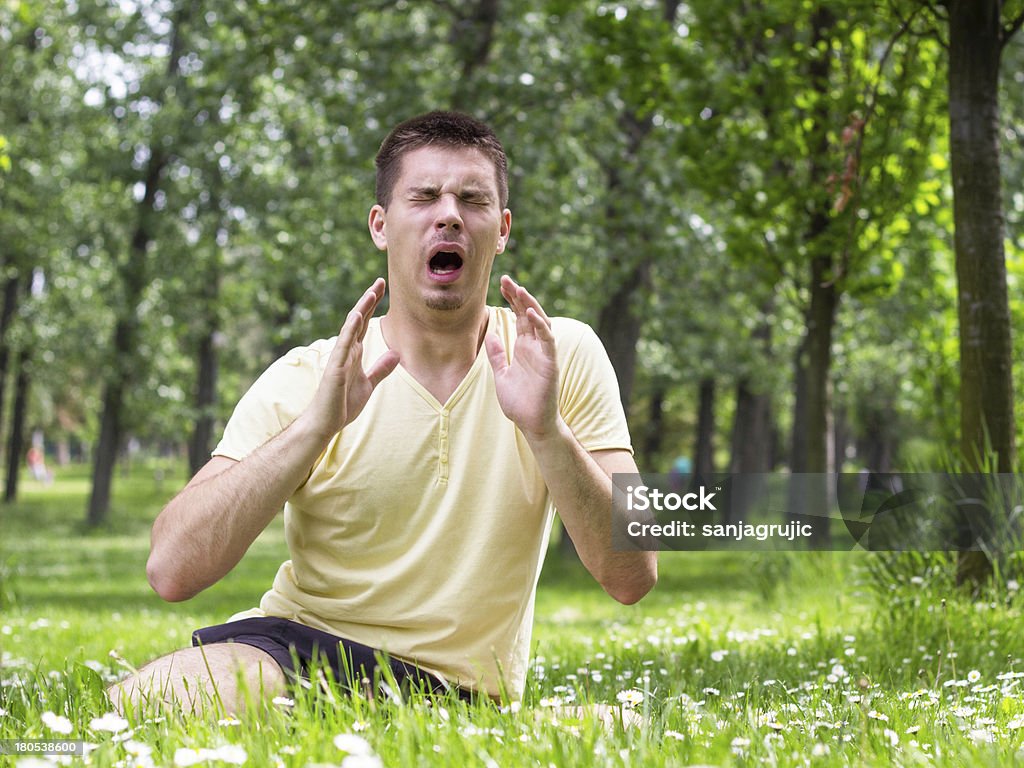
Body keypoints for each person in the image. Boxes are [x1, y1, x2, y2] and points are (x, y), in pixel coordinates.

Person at [109, 111, 657, 715]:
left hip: (456, 698)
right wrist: (316, 427)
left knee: (624, 731)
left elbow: (632, 576)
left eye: (472, 199)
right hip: (297, 654)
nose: (448, 213)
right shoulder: (313, 373)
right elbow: (171, 570)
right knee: (151, 704)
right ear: (380, 225)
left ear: (500, 230)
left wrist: (546, 431)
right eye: (423, 196)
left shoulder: (559, 354)